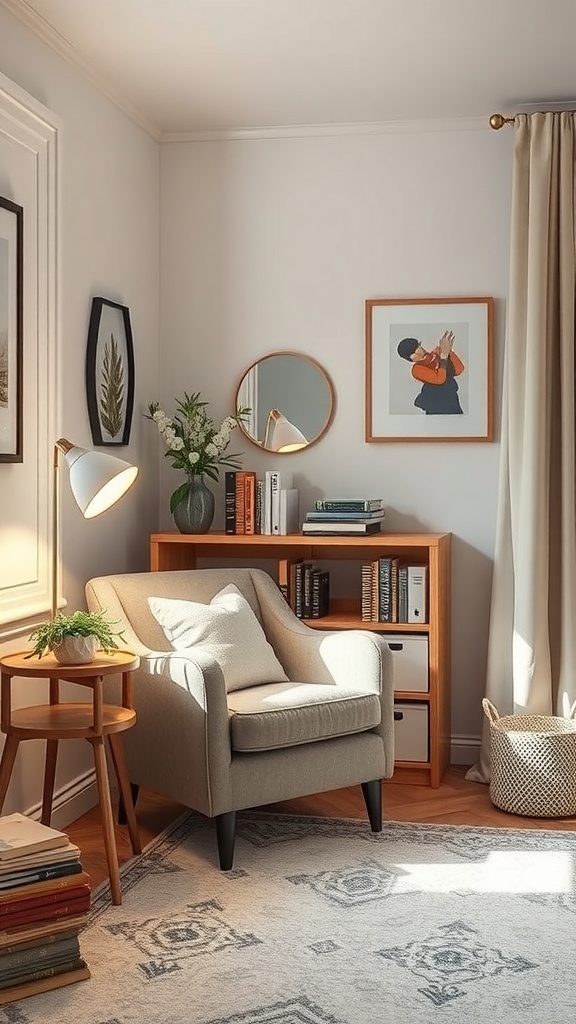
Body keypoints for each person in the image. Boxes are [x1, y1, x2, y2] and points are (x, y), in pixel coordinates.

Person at [397, 330, 465, 414]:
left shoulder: (437, 353)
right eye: (413, 353)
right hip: (436, 403)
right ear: (410, 358)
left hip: (451, 399)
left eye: (418, 347)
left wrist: (448, 352)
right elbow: (439, 379)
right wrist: (443, 357)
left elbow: (459, 369)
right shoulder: (416, 369)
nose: (419, 352)